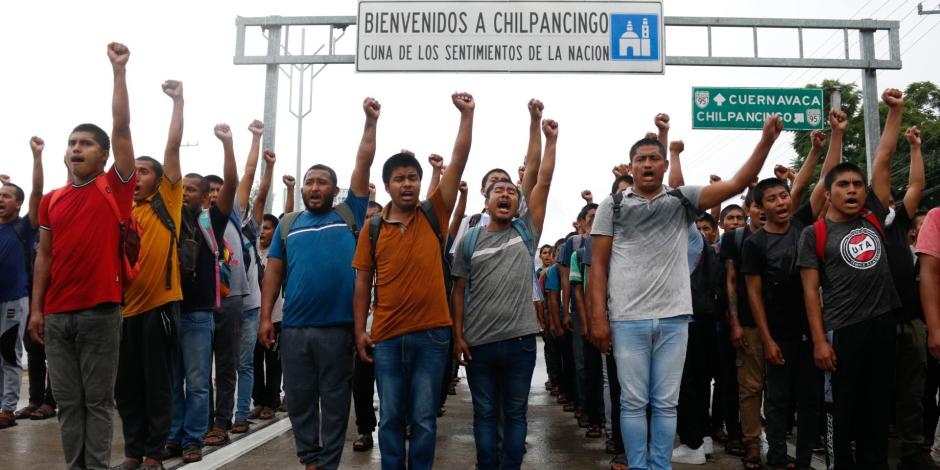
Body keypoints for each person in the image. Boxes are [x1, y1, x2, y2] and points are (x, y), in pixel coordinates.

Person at [588, 116, 783, 470]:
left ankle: (659, 466)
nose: (647, 164)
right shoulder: (612, 206)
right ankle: (637, 465)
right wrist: (598, 318)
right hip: (627, 320)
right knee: (633, 403)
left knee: (666, 403)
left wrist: (766, 141)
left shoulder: (682, 201)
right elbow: (598, 266)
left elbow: (738, 183)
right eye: (640, 159)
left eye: (654, 159)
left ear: (664, 165)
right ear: (631, 167)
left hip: (676, 320)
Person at [27, 42, 138, 470]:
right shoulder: (52, 200)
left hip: (100, 312)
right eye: (72, 143)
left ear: (104, 155)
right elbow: (44, 258)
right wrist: (38, 309)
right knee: (69, 405)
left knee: (98, 402)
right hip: (57, 317)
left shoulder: (115, 187)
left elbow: (122, 125)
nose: (77, 149)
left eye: (87, 143)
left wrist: (119, 72)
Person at [352, 92, 474, 470]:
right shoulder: (372, 228)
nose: (407, 184)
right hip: (386, 336)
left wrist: (466, 116)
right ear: (387, 186)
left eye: (413, 178)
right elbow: (361, 285)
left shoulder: (434, 213)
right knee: (389, 417)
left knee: (422, 419)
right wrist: (360, 330)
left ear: (421, 183)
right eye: (399, 179)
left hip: (433, 335)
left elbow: (458, 162)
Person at [259, 97, 380, 470]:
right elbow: (274, 274)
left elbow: (363, 162)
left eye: (322, 182)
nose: (314, 187)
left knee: (335, 399)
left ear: (334, 189)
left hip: (339, 330)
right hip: (295, 329)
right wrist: (266, 318)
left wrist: (370, 122)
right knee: (298, 398)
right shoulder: (288, 224)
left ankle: (328, 463)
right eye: (309, 182)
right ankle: (309, 459)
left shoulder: (349, 213)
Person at [797, 89, 906, 470]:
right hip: (842, 331)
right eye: (843, 186)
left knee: (877, 414)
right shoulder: (815, 233)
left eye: (857, 185)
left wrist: (895, 113)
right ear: (828, 194)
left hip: (882, 326)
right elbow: (811, 291)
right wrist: (819, 341)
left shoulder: (873, 214)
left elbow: (884, 158)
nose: (853, 191)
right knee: (841, 416)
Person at [451, 114, 557, 470]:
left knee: (514, 415)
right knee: (484, 415)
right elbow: (458, 291)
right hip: (479, 344)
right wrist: (458, 336)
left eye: (512, 191)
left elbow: (541, 178)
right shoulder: (469, 239)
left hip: (521, 343)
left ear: (518, 203)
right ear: (486, 200)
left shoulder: (526, 234)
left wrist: (541, 129)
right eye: (499, 190)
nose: (507, 194)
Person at [114, 79, 185, 470]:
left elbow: (172, 147)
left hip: (159, 308)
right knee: (127, 388)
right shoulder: (120, 208)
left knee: (158, 385)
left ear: (159, 181)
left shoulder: (168, 202)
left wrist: (178, 102)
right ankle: (132, 451)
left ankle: (154, 454)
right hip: (122, 313)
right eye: (134, 171)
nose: (137, 176)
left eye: (144, 171)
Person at [166, 123, 239, 464]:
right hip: (168, 312)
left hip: (197, 314)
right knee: (172, 382)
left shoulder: (212, 221)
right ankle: (173, 436)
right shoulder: (166, 221)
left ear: (205, 195)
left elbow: (234, 185)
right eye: (184, 189)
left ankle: (193, 438)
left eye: (194, 189)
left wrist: (227, 144)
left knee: (196, 383)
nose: (187, 194)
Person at [884, 125, 931, 470]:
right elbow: (881, 164)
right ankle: (875, 449)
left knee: (913, 392)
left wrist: (915, 147)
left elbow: (916, 185)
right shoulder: (855, 226)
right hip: (874, 322)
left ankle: (913, 451)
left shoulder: (898, 222)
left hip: (910, 321)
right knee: (876, 391)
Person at [0, 137, 43, 429]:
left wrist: (37, 157)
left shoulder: (24, 227)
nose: (1, 199)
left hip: (15, 299)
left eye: (6, 195)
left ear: (18, 203)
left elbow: (38, 192)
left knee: (8, 353)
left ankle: (7, 409)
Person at [232, 120, 267, 435]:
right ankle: (214, 419)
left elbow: (250, 178)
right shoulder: (206, 229)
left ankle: (240, 415)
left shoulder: (248, 230)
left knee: (244, 364)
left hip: (249, 308)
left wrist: (255, 138)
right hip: (218, 307)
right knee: (219, 367)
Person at [250, 174, 290, 421]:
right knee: (254, 362)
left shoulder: (279, 253)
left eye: (268, 227)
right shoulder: (251, 249)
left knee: (274, 361)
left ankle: (273, 400)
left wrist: (289, 190)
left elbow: (287, 219)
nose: (263, 231)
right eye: (261, 227)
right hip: (251, 316)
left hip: (276, 316)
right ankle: (259, 400)